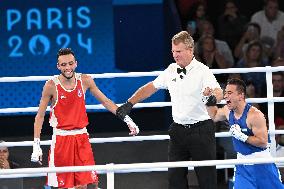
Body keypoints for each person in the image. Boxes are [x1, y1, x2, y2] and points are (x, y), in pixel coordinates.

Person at [116, 31, 223, 189]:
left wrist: (213, 98)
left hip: (201, 130)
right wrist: (129, 103)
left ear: (190, 50)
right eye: (173, 51)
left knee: (207, 180)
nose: (175, 55)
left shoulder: (203, 71)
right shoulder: (171, 69)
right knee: (175, 179)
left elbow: (218, 91)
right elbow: (151, 87)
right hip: (178, 130)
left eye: (178, 51)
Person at [31, 48, 139, 189]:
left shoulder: (85, 80)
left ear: (76, 63)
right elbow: (40, 116)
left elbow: (106, 101)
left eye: (70, 63)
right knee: (65, 187)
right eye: (63, 65)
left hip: (82, 137)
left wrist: (127, 119)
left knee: (85, 185)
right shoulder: (51, 86)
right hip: (61, 140)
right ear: (58, 66)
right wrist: (36, 144)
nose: (68, 67)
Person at [204, 78, 284, 189]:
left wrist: (242, 136)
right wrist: (207, 100)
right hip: (242, 164)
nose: (225, 96)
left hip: (261, 163)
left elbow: (263, 142)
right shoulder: (228, 111)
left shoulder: (255, 115)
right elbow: (215, 115)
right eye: (225, 93)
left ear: (241, 96)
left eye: (230, 93)